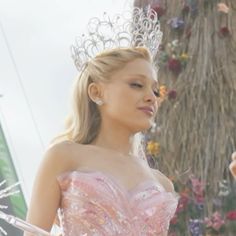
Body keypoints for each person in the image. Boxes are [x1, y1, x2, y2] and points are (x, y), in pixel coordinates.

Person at [24, 7, 179, 236]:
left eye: (155, 91)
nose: (150, 97)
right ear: (96, 92)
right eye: (136, 84)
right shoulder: (64, 157)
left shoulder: (162, 185)